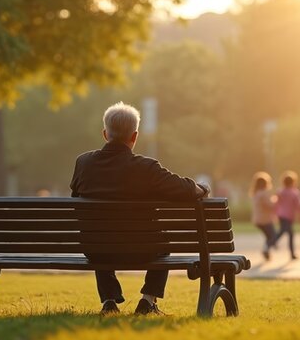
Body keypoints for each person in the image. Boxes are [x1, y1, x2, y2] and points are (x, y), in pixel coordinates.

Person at [70, 102, 209, 316]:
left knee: (98, 232)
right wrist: (202, 188)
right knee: (163, 243)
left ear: (105, 134)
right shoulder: (146, 168)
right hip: (143, 248)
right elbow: (184, 189)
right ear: (134, 137)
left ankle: (109, 301)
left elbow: (76, 199)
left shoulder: (83, 163)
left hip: (97, 248)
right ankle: (147, 301)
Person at [273, 171, 300, 260]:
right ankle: (271, 243)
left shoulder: (280, 191)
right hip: (288, 216)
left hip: (281, 215)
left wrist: (275, 214)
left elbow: (276, 204)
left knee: (285, 232)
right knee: (286, 232)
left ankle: (272, 243)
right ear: (293, 182)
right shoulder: (295, 193)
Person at [250, 172, 277, 261]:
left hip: (257, 220)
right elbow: (269, 205)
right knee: (273, 237)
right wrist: (275, 200)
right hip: (265, 220)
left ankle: (267, 251)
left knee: (268, 237)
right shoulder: (263, 193)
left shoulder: (255, 193)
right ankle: (266, 249)